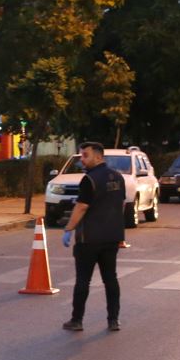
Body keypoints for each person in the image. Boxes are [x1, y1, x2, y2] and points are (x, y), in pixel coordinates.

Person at [61, 141, 126, 332]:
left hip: (89, 239)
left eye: (85, 155)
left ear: (98, 156)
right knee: (110, 279)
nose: (82, 160)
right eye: (81, 155)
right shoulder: (118, 177)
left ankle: (77, 320)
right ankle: (113, 320)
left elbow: (81, 206)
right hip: (112, 237)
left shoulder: (89, 180)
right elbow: (121, 204)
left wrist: (69, 228)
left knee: (83, 280)